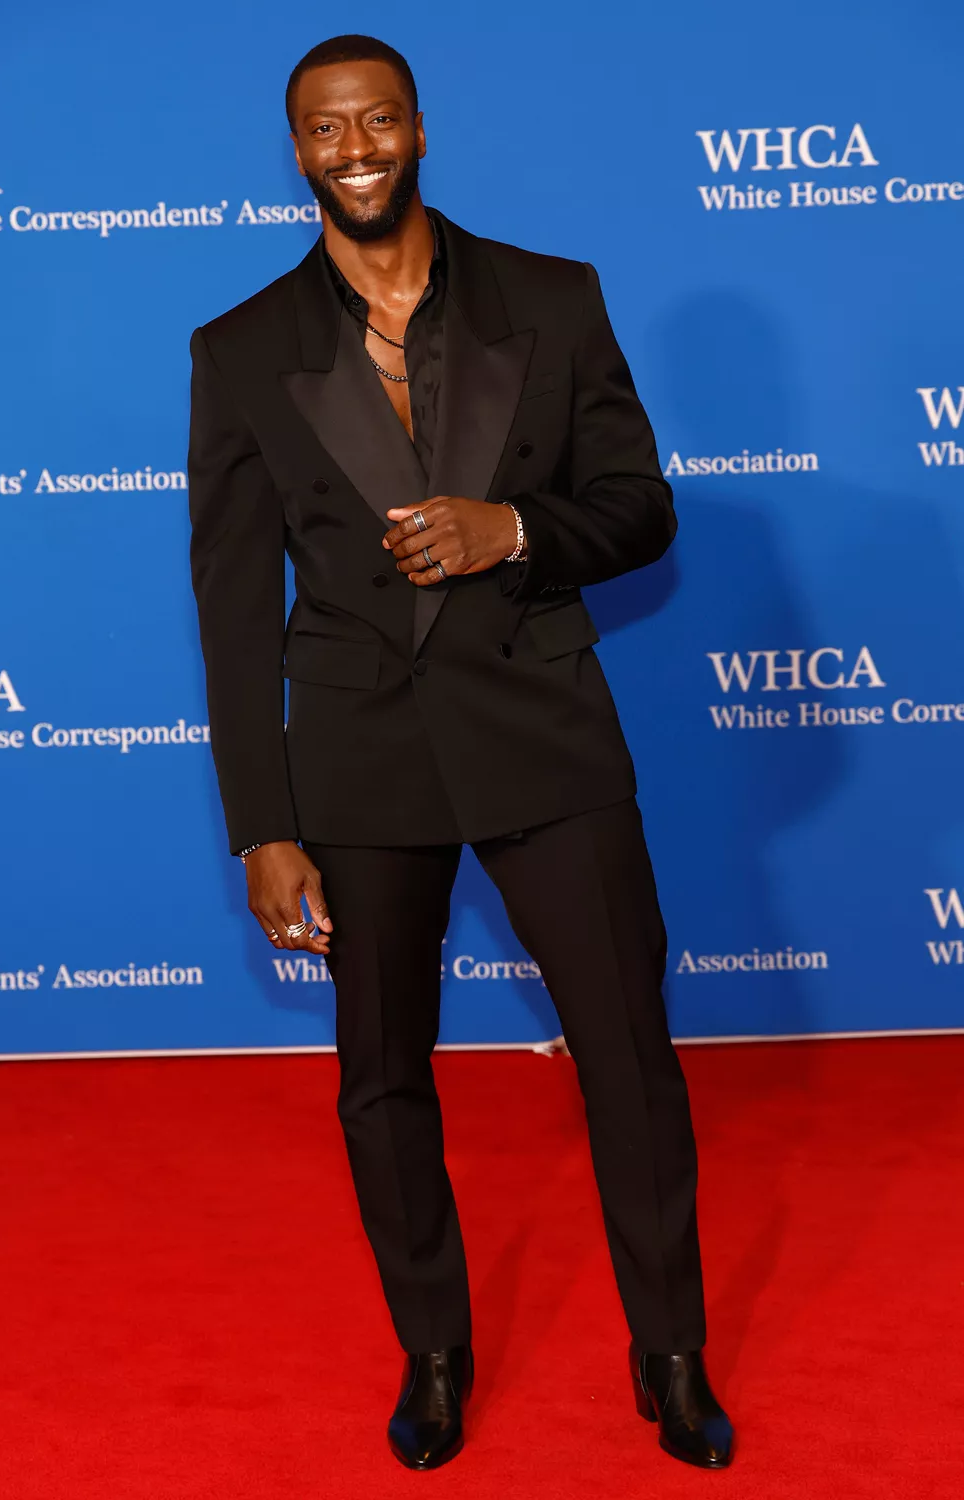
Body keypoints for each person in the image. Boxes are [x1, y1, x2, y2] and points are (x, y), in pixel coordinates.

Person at [188, 33, 734, 1472]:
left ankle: (669, 1354)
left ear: (420, 130)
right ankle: (434, 1355)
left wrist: (520, 532)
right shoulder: (239, 350)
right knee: (381, 1077)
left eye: (377, 120)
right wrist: (264, 824)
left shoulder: (553, 300)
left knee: (627, 1057)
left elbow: (641, 507)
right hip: (358, 760)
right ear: (295, 151)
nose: (354, 147)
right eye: (324, 129)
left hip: (545, 732)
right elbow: (236, 608)